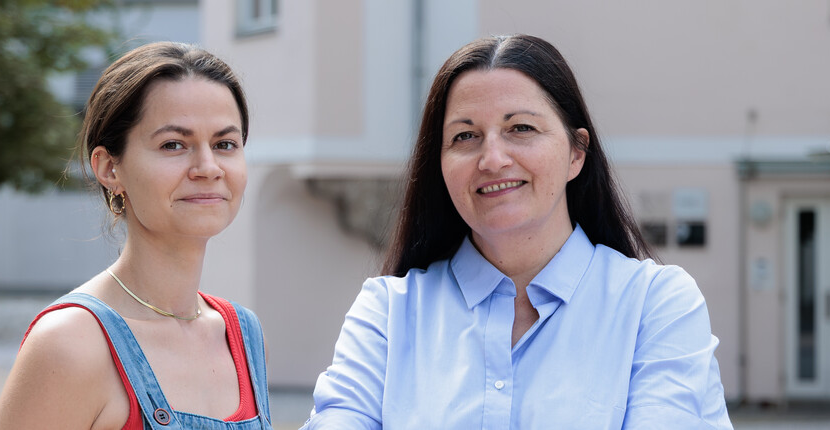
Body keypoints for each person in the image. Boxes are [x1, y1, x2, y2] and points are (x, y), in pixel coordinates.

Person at [303, 35, 732, 429]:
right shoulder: (387, 314)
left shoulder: (655, 307)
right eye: (465, 136)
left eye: (520, 128)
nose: (492, 158)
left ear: (576, 153)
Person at [0, 42, 272, 430]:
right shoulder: (69, 343)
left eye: (225, 144)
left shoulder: (242, 333)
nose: (208, 167)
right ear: (109, 168)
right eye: (173, 144)